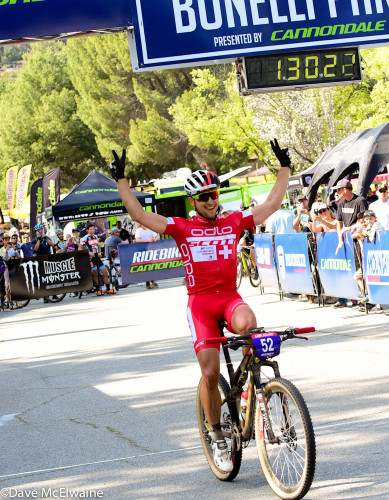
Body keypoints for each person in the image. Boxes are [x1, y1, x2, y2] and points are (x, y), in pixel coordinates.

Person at [109, 139, 291, 472]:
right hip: (201, 304)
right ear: (194, 202)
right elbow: (137, 213)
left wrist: (284, 168)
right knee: (210, 372)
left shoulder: (233, 222)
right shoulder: (182, 227)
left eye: (214, 195)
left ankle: (250, 388)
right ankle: (216, 433)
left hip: (228, 298)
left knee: (250, 324)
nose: (211, 201)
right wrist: (121, 179)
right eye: (204, 197)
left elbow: (272, 204)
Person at [333, 179, 368, 309]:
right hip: (349, 240)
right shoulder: (341, 202)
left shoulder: (360, 201)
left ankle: (367, 299)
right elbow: (338, 222)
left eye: (338, 190)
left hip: (361, 239)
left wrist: (348, 228)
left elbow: (364, 222)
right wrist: (340, 240)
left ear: (345, 190)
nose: (337, 192)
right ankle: (362, 298)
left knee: (362, 270)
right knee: (357, 269)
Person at [80, 223, 116, 295]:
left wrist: (99, 253)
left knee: (105, 272)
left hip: (97, 257)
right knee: (95, 274)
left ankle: (108, 289)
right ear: (87, 230)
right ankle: (98, 290)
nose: (92, 230)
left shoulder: (95, 237)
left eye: (93, 229)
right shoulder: (85, 238)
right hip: (91, 258)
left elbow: (98, 246)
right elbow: (80, 248)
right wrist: (90, 253)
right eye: (91, 229)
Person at [135, 224, 160, 289]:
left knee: (151, 266)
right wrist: (148, 240)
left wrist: (155, 239)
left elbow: (158, 236)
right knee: (146, 266)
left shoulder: (150, 229)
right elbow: (137, 240)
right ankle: (149, 282)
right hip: (142, 250)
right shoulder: (138, 230)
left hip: (150, 250)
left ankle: (151, 281)